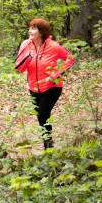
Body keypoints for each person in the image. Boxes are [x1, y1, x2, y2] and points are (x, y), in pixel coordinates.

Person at [14, 18, 74, 150]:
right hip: (33, 87)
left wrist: (56, 74)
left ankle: (48, 145)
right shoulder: (25, 45)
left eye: (33, 28)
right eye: (30, 28)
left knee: (42, 113)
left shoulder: (54, 46)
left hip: (52, 87)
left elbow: (70, 59)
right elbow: (19, 68)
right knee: (42, 116)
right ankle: (48, 143)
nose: (30, 31)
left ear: (41, 32)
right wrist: (28, 57)